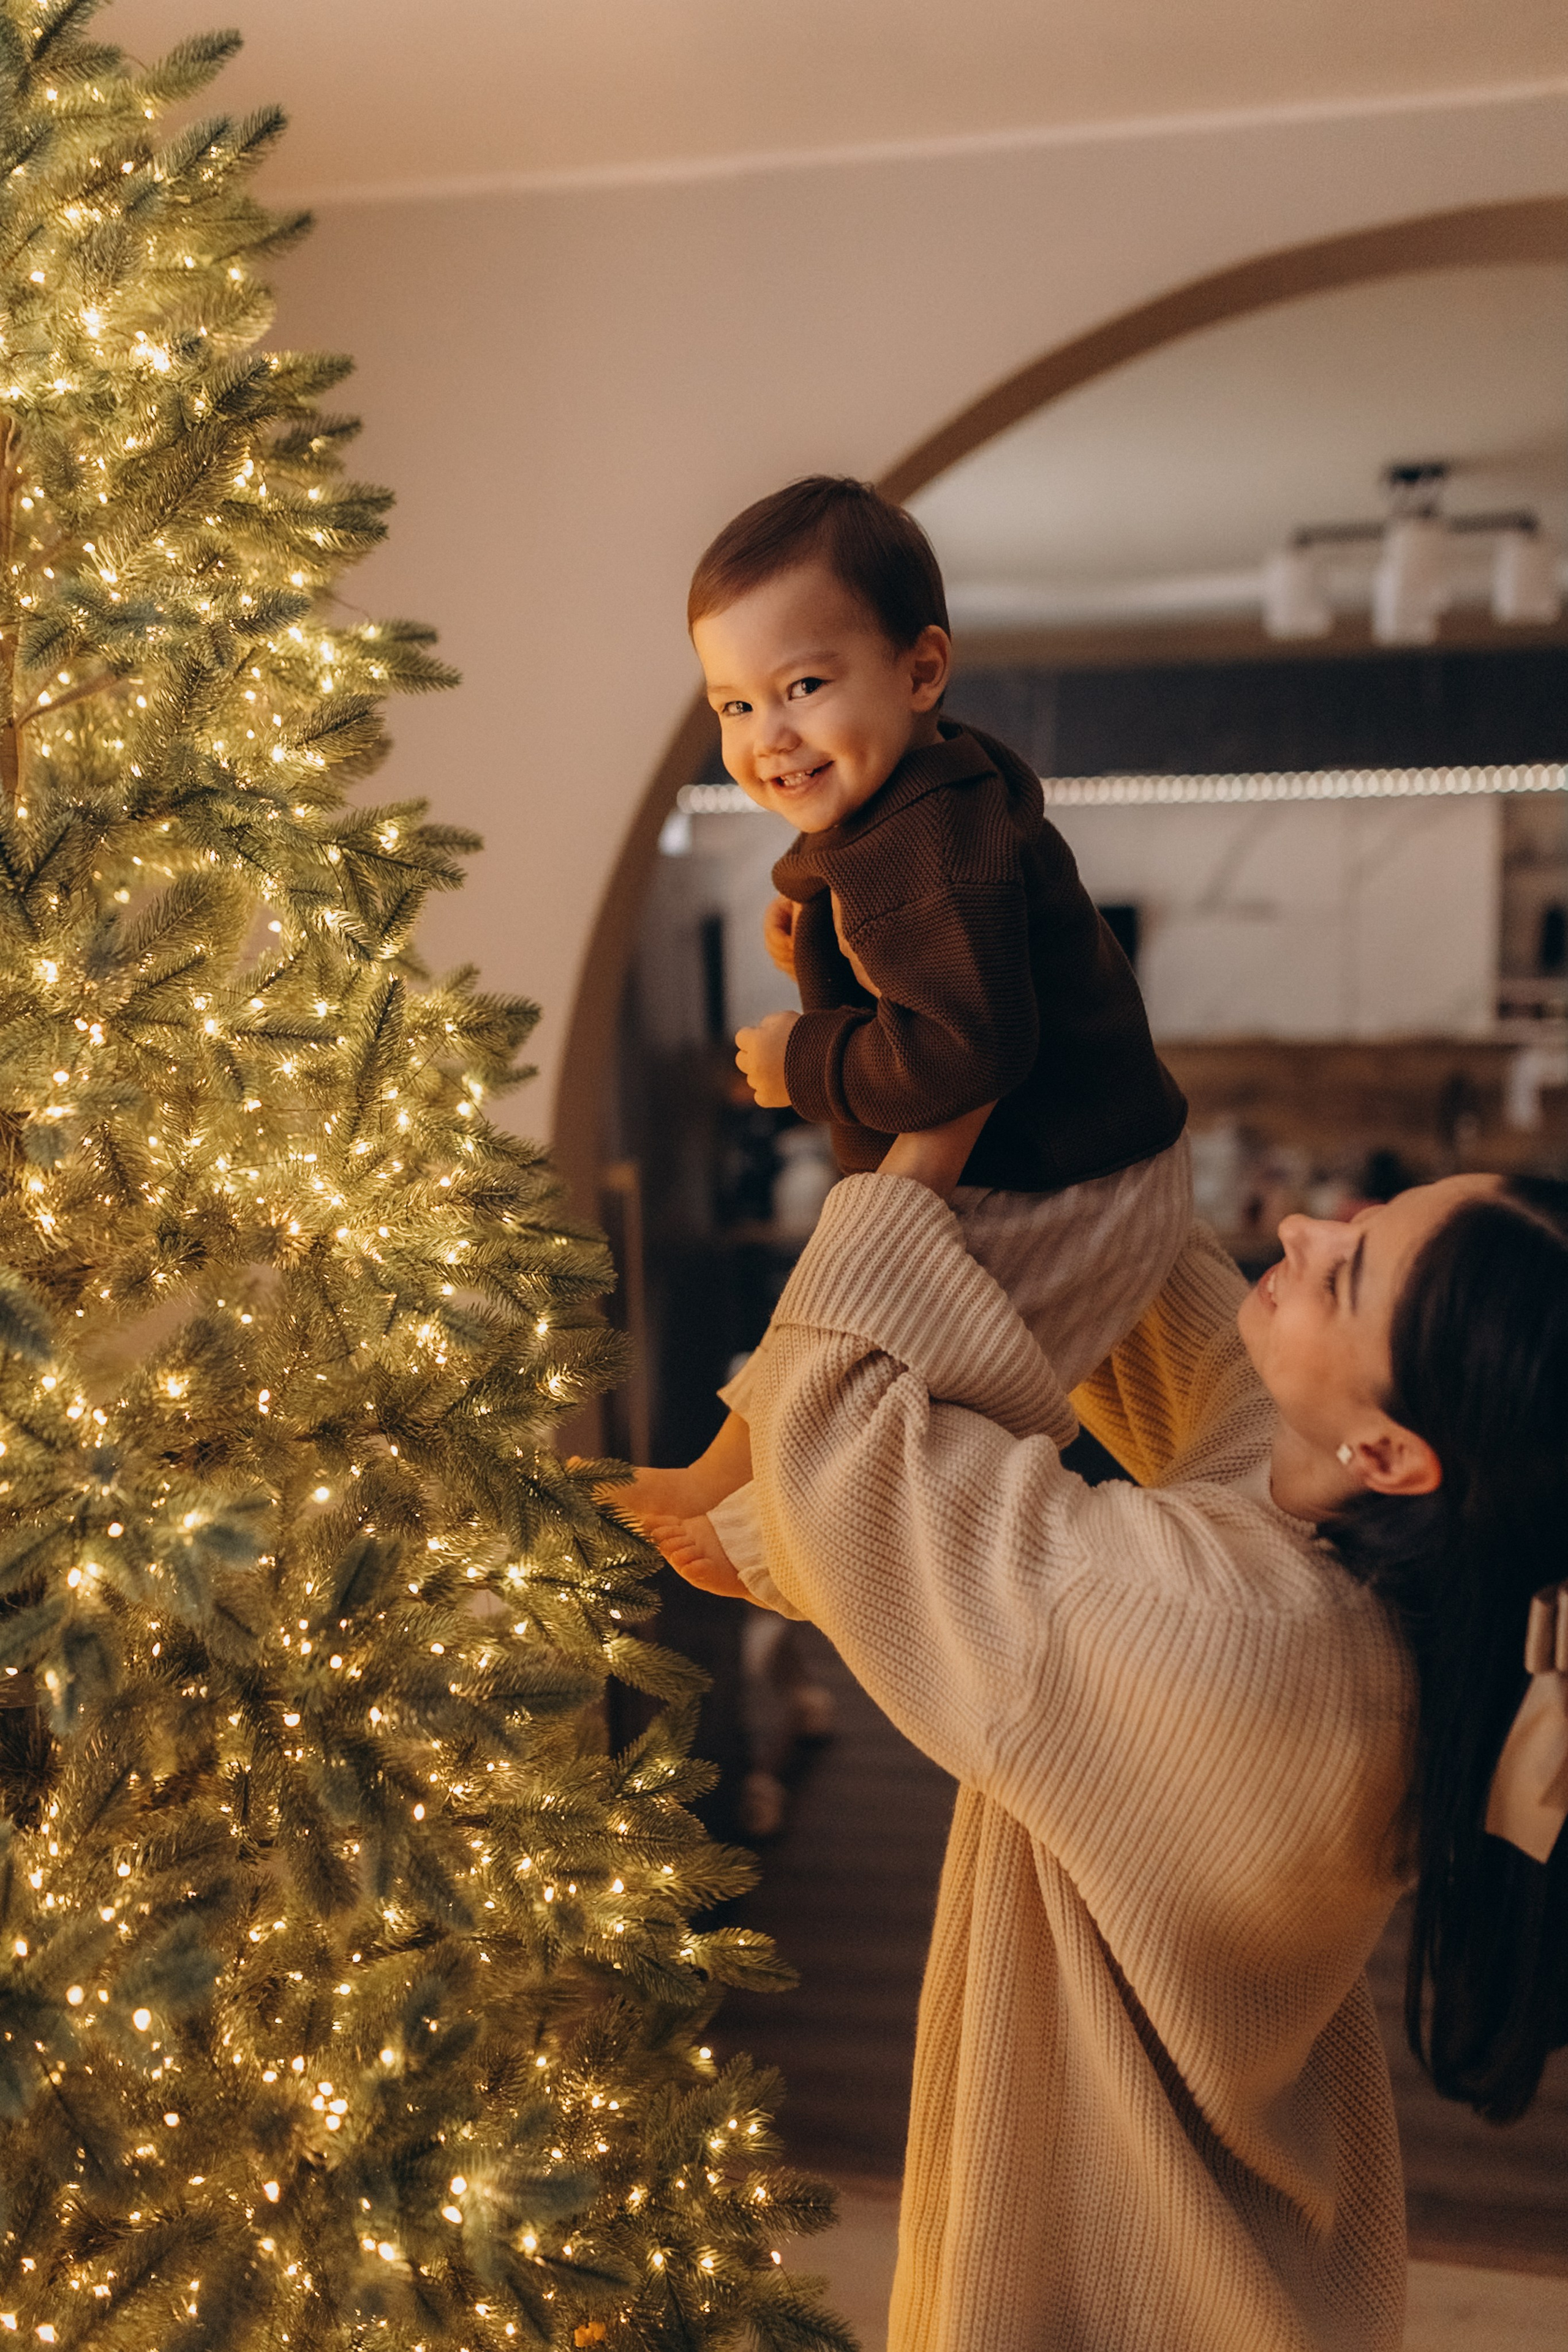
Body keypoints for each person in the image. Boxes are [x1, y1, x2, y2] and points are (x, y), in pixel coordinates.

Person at [620, 1102, 1568, 2351]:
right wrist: (972, 1014)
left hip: (1118, 2303)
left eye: (1344, 1274)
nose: (1295, 1229)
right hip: (1251, 2283)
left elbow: (834, 1439)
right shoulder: (1379, 1565)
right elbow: (1141, 1281)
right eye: (1348, 1225)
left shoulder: (1220, 1636)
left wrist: (916, 1157)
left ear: (1388, 1451)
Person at [635, 477, 1189, 1599]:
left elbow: (963, 1051)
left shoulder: (927, 845)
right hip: (1042, 1169)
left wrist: (801, 1058)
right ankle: (715, 1476)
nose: (767, 737)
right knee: (839, 1303)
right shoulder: (924, 789)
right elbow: (887, 909)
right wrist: (819, 940)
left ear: (921, 669)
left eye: (801, 686)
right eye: (734, 706)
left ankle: (780, 1555)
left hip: (1073, 1185)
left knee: (906, 1379)